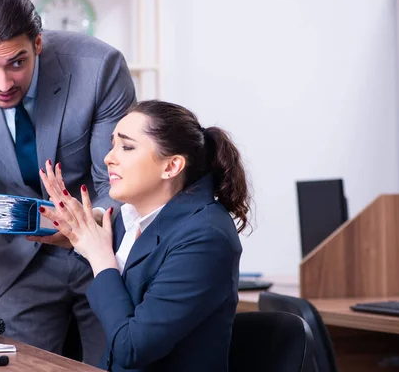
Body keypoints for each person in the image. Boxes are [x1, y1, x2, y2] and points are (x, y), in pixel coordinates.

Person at [0, 0, 136, 365]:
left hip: (100, 248)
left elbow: (116, 183)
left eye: (17, 63)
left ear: (37, 43)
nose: (3, 84)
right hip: (20, 259)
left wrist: (80, 228)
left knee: (112, 364)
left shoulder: (99, 68)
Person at [35, 100, 250, 371]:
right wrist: (80, 236)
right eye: (113, 145)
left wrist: (101, 258)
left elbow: (131, 348)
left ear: (171, 167)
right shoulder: (129, 219)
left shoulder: (206, 236)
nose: (108, 158)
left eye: (126, 147)